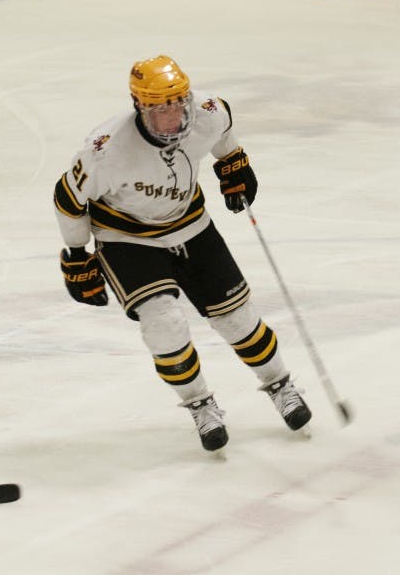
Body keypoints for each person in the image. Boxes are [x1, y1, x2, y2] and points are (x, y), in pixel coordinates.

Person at [52, 55, 311, 453]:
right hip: (127, 238)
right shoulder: (105, 150)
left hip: (192, 226)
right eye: (160, 109)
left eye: (177, 104)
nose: (173, 117)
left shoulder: (208, 111)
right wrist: (76, 255)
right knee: (164, 322)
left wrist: (233, 163)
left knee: (238, 320)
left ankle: (281, 385)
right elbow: (68, 200)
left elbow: (224, 136)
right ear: (140, 107)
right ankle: (199, 404)